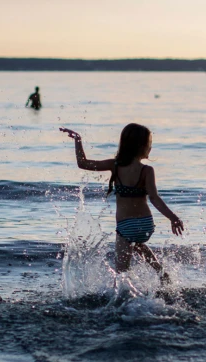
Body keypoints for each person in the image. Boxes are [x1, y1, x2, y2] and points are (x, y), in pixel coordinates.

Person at [60, 123, 183, 287]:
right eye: (149, 145)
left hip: (126, 226)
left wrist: (78, 141)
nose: (151, 148)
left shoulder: (115, 165)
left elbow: (83, 163)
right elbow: (154, 198)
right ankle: (160, 272)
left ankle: (123, 299)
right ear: (141, 147)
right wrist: (173, 218)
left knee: (121, 274)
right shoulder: (147, 170)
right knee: (138, 243)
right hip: (146, 225)